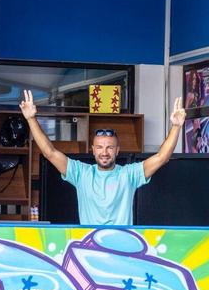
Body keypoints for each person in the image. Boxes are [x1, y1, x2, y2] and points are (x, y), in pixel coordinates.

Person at [19, 89, 186, 225]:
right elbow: (50, 153)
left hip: (122, 248)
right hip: (88, 247)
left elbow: (162, 157)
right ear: (92, 150)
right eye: (99, 147)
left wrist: (176, 126)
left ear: (117, 150)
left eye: (109, 147)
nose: (104, 152)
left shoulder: (128, 174)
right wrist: (31, 119)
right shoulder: (81, 173)